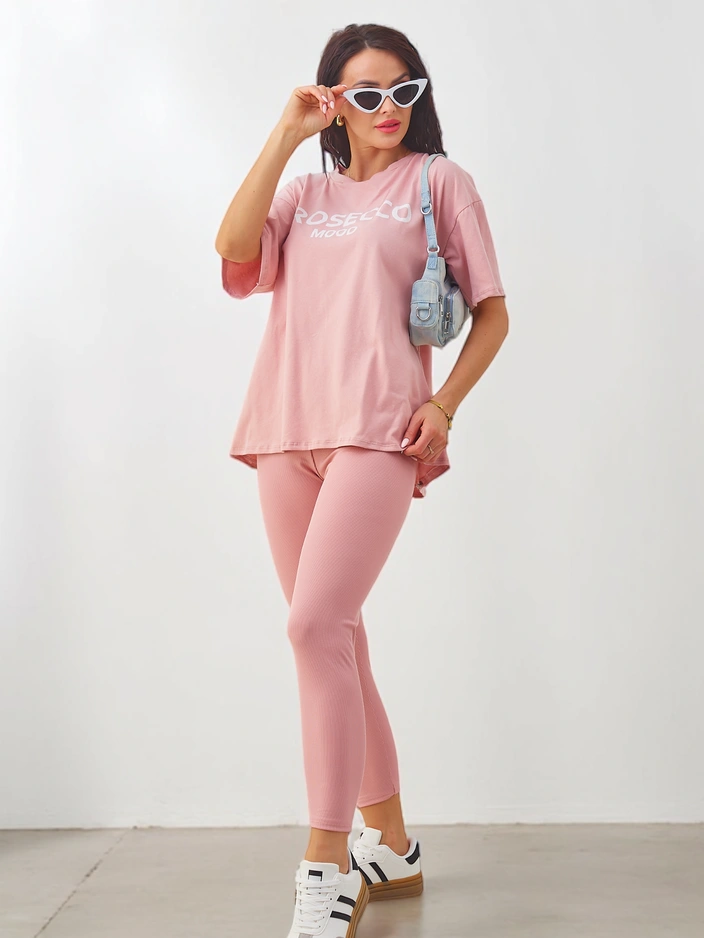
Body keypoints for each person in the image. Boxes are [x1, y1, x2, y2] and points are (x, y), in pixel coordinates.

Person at [214, 22, 508, 938]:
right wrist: (285, 133)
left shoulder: (439, 182)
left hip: (380, 430)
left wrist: (444, 404)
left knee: (313, 626)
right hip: (284, 428)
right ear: (335, 103)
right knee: (338, 639)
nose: (389, 109)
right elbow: (234, 254)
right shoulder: (303, 192)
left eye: (403, 91)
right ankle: (396, 847)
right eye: (367, 95)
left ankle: (326, 862)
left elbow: (493, 315)